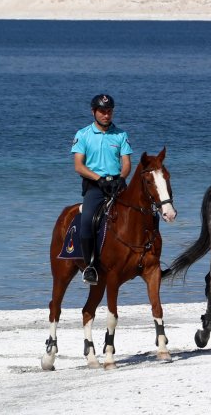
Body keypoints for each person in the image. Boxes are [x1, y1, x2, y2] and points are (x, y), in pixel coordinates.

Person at [71, 94, 133, 285]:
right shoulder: (83, 135)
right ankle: (90, 266)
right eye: (102, 111)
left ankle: (149, 257)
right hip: (95, 186)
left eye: (109, 111)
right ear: (93, 112)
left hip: (117, 184)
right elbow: (78, 166)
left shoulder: (121, 135)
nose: (106, 115)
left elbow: (127, 163)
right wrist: (99, 179)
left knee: (146, 210)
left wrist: (121, 178)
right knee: (88, 220)